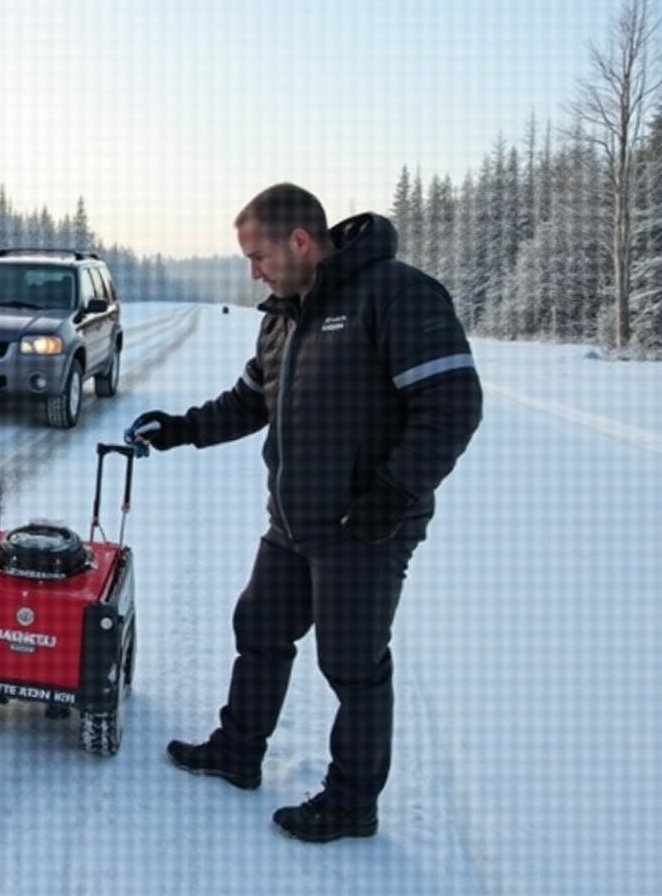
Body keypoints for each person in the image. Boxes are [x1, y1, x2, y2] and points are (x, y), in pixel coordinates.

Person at [126, 183, 482, 843]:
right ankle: (239, 750)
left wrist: (393, 494)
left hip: (364, 528)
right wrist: (178, 429)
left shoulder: (397, 293)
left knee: (352, 664)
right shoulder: (283, 316)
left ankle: (351, 803)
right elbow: (247, 401)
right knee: (259, 628)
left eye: (258, 256)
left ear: (299, 240)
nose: (252, 272)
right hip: (292, 523)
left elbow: (454, 403)